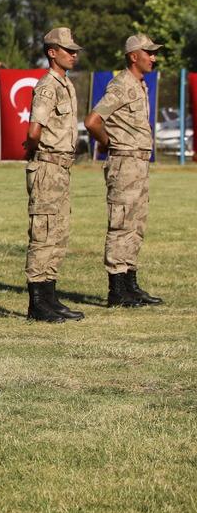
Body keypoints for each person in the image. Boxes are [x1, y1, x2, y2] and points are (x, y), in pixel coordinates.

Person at [84, 33, 165, 308]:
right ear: (133, 56)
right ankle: (117, 290)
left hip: (139, 162)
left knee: (135, 223)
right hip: (125, 161)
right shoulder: (121, 86)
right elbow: (93, 120)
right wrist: (108, 143)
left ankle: (130, 284)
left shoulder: (140, 85)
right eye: (149, 53)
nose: (153, 58)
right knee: (121, 223)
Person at [23, 27, 85, 323]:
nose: (73, 55)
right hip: (47, 165)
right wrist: (36, 150)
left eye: (74, 51)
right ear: (52, 52)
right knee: (44, 232)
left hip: (61, 167)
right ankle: (37, 302)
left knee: (58, 232)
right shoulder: (47, 86)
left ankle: (50, 296)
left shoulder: (66, 84)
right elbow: (34, 130)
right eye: (68, 50)